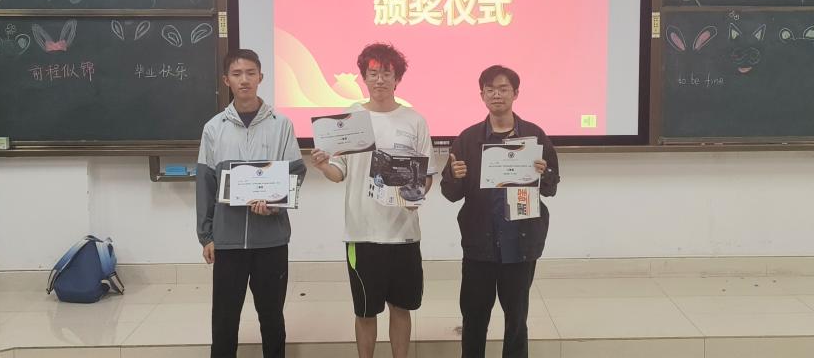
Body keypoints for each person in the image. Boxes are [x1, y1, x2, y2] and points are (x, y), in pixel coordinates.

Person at [308, 42, 436, 358]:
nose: (380, 79)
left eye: (387, 73)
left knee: (402, 308)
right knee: (365, 311)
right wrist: (324, 166)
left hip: (404, 233)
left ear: (397, 78)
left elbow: (426, 174)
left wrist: (416, 194)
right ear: (364, 76)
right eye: (373, 73)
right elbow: (339, 172)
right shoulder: (351, 119)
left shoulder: (414, 120)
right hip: (361, 232)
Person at [441, 65, 560, 358]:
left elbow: (551, 187)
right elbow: (450, 193)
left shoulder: (534, 136)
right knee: (474, 318)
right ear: (482, 95)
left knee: (516, 320)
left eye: (503, 88)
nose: (497, 94)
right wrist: (455, 176)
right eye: (490, 89)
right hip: (479, 245)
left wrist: (544, 173)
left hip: (519, 243)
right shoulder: (468, 138)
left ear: (515, 93)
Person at [196, 48, 305, 358]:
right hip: (228, 241)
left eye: (250, 73)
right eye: (236, 74)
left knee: (272, 317)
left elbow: (296, 173)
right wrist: (207, 236)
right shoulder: (214, 128)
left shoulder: (281, 124)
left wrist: (275, 204)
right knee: (224, 319)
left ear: (261, 77)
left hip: (271, 240)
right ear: (226, 80)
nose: (244, 80)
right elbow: (205, 184)